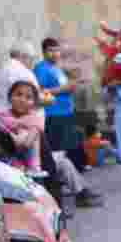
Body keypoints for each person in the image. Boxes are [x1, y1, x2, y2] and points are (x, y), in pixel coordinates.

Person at [34, 37, 85, 172]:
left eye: (57, 50)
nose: (55, 54)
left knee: (67, 149)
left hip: (65, 113)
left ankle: (69, 179)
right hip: (53, 114)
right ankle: (57, 184)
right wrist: (65, 88)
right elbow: (40, 91)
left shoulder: (56, 68)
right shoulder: (41, 68)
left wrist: (71, 86)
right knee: (57, 150)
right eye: (51, 51)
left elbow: (64, 87)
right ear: (44, 52)